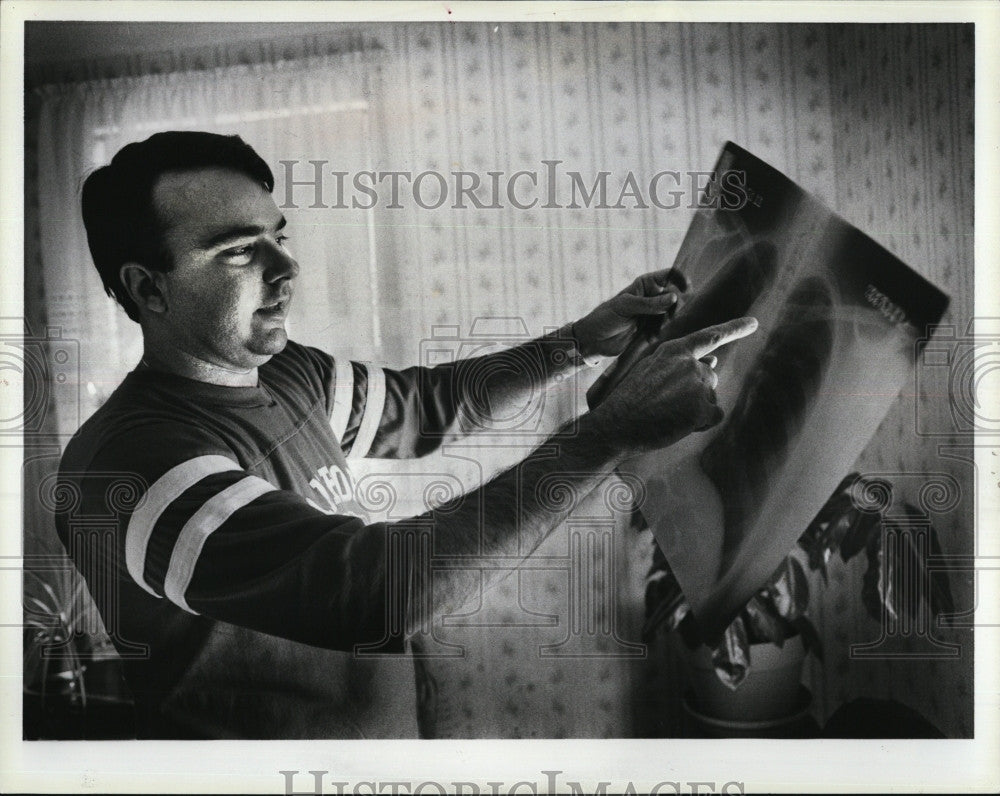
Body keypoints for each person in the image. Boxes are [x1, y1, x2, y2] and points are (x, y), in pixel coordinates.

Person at [55, 131, 757, 739]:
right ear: (148, 289)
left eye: (279, 236)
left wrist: (576, 343)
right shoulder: (126, 466)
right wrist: (609, 433)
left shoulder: (283, 370)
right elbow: (376, 593)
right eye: (239, 252)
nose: (287, 269)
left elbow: (425, 407)